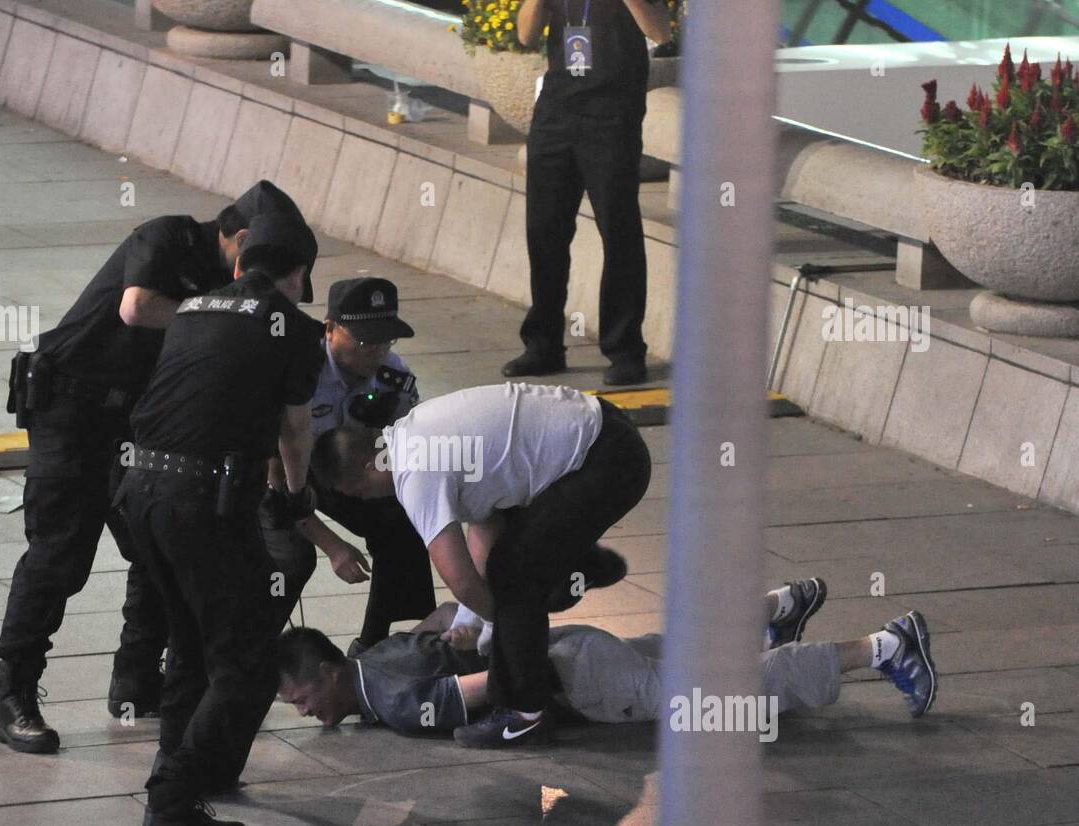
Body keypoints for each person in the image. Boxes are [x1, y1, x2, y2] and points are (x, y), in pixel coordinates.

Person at [0, 180, 307, 757]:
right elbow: (136, 307)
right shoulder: (168, 237)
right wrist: (222, 311)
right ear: (237, 239)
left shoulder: (229, 288)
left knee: (156, 541)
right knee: (59, 554)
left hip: (134, 422)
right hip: (70, 407)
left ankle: (135, 682)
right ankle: (13, 696)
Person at [116, 211, 325, 826]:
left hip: (136, 492)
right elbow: (294, 428)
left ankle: (185, 782)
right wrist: (296, 497)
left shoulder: (191, 308)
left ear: (239, 264)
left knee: (189, 645)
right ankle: (171, 804)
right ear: (297, 275)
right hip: (199, 502)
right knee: (247, 665)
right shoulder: (295, 327)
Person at [311, 381, 649, 748]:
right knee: (515, 564)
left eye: (360, 491)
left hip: (605, 462)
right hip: (606, 434)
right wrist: (469, 621)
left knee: (515, 580)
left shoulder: (413, 473)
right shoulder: (411, 430)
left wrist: (496, 626)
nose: (368, 499)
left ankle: (525, 714)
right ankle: (582, 565)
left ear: (368, 464)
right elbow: (485, 524)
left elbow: (460, 580)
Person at [275, 582, 940, 733]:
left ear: (329, 674)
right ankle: (771, 609)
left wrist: (486, 732)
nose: (306, 714)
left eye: (303, 700)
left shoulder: (387, 699)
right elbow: (453, 616)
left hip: (577, 677)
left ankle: (883, 647)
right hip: (571, 646)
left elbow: (490, 685)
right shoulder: (379, 653)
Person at [260, 278, 436, 654]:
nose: (374, 352)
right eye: (363, 341)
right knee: (291, 559)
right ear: (329, 328)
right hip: (282, 478)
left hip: (348, 476)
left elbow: (409, 453)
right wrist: (333, 545)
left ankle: (385, 641)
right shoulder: (298, 370)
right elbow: (273, 472)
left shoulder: (394, 375)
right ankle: (251, 651)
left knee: (404, 524)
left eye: (384, 341)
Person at [503, 0, 672, 387]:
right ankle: (543, 345)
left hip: (612, 113)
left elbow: (660, 32)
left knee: (619, 233)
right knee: (544, 231)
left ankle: (625, 349)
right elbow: (526, 34)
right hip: (556, 110)